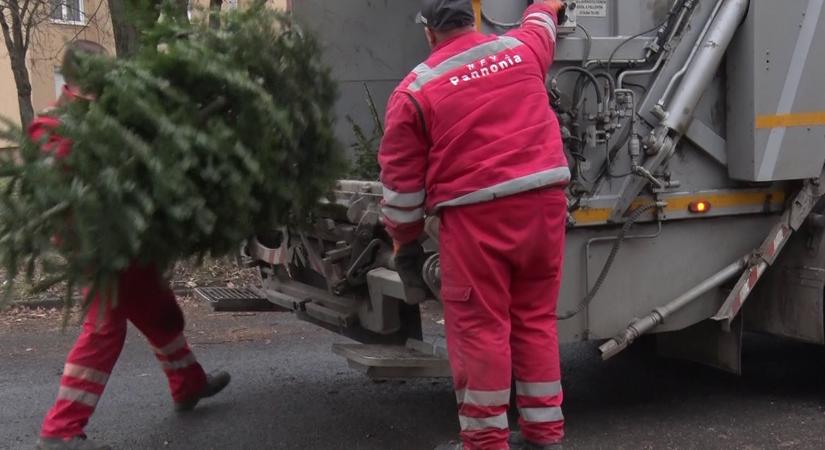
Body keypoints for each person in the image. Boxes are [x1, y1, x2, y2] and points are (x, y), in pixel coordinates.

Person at [378, 0, 568, 448]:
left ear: (429, 33)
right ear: (473, 20)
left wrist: (405, 246)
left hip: (477, 215)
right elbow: (541, 24)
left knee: (482, 328)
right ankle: (545, 434)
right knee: (536, 318)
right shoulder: (521, 51)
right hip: (545, 203)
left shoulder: (415, 91)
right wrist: (546, 4)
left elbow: (402, 190)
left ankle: (485, 441)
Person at [33, 40, 231, 450]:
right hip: (95, 246)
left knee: (161, 311)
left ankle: (188, 384)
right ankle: (61, 431)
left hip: (129, 241)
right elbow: (62, 191)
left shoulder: (116, 116)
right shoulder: (54, 126)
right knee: (104, 329)